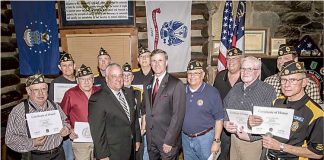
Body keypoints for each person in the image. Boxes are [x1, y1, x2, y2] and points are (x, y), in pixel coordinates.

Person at [249, 61, 323, 160]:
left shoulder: (316, 113)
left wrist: (281, 146)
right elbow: (268, 130)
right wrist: (255, 123)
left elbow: (317, 153)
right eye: (283, 80)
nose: (287, 85)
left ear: (304, 82)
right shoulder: (276, 102)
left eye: (293, 80)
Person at [5, 74, 70, 160]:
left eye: (43, 89)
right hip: (35, 156)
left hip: (58, 154)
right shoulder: (18, 111)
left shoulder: (54, 106)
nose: (41, 93)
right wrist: (32, 142)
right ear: (28, 91)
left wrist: (66, 129)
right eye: (36, 90)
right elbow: (10, 139)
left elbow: (65, 122)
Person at [223, 56, 276, 160]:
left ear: (258, 72)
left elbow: (270, 120)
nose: (245, 72)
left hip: (254, 143)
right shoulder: (236, 87)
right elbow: (224, 106)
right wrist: (226, 122)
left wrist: (251, 137)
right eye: (243, 68)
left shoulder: (268, 90)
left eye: (249, 69)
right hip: (234, 139)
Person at [88, 63, 141, 160]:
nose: (118, 79)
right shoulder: (97, 99)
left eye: (120, 75)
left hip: (131, 148)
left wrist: (137, 139)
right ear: (106, 78)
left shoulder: (129, 93)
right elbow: (97, 131)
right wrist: (103, 155)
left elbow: (134, 118)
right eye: (114, 76)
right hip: (113, 152)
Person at [143, 49, 186, 160]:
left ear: (166, 63)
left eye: (160, 60)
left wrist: (169, 141)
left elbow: (178, 116)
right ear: (150, 63)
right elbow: (148, 111)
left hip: (167, 142)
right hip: (151, 141)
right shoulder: (147, 83)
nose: (157, 64)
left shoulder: (176, 84)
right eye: (154, 61)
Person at [182, 60, 224, 160]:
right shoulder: (181, 91)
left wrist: (216, 141)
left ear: (203, 75)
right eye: (190, 73)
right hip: (185, 139)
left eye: (196, 73)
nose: (192, 76)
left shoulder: (212, 92)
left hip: (206, 139)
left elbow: (219, 119)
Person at [60, 64, 101, 160]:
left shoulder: (100, 92)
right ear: (77, 80)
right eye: (83, 79)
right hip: (80, 140)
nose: (86, 82)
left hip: (99, 139)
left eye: (89, 79)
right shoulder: (70, 93)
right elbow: (62, 116)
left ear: (93, 80)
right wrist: (70, 130)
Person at [213, 47, 243, 160]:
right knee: (221, 155)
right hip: (222, 124)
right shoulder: (220, 76)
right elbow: (214, 99)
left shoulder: (246, 77)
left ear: (241, 60)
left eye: (234, 59)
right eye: (229, 59)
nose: (231, 62)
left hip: (240, 125)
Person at [48, 51, 76, 160]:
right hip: (64, 126)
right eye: (64, 65)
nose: (67, 68)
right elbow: (51, 106)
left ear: (74, 66)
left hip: (79, 124)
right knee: (69, 157)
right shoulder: (55, 83)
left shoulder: (81, 81)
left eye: (70, 65)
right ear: (60, 67)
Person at [132, 45, 153, 160]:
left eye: (147, 56)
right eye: (141, 56)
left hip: (152, 118)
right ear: (138, 60)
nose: (144, 59)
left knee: (151, 150)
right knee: (137, 150)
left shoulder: (156, 75)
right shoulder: (132, 76)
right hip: (136, 118)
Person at [122, 62, 146, 160]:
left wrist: (140, 133)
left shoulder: (138, 92)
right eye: (124, 75)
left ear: (132, 78)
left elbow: (141, 112)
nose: (126, 78)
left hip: (137, 130)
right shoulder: (116, 93)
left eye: (129, 75)